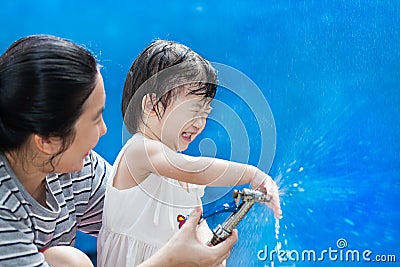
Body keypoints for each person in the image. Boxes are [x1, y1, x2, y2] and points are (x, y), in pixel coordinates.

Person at [0, 34, 237, 267]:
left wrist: (201, 244)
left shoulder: (73, 171)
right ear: (47, 140)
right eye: (95, 119)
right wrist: (170, 261)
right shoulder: (4, 213)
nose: (104, 129)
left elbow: (148, 219)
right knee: (69, 261)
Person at [97, 40, 282, 267]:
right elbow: (193, 168)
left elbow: (195, 222)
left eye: (205, 113)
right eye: (194, 110)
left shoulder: (180, 179)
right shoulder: (139, 150)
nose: (200, 123)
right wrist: (252, 174)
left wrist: (209, 250)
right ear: (151, 104)